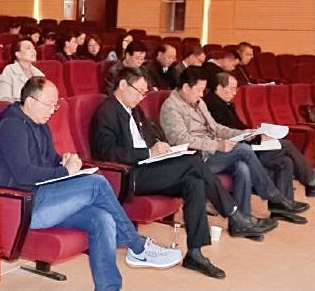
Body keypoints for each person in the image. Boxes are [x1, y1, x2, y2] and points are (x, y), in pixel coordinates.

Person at [0, 77, 182, 291]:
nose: (53, 111)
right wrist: (65, 171)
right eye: (49, 105)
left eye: (55, 105)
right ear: (30, 102)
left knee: (102, 218)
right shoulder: (12, 125)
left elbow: (49, 160)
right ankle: (137, 246)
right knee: (96, 183)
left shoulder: (40, 124)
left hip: (46, 197)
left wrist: (63, 161)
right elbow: (24, 174)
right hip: (25, 206)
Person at [90, 67, 262, 279]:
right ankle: (233, 213)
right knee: (194, 162)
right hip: (129, 175)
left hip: (149, 166)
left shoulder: (134, 109)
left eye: (145, 93)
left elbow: (150, 136)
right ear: (123, 85)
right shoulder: (106, 111)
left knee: (194, 183)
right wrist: (148, 152)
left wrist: (163, 147)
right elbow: (106, 152)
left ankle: (195, 253)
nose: (142, 97)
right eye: (139, 91)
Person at [160, 67, 305, 222]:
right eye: (199, 90)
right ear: (185, 87)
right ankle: (273, 195)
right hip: (195, 158)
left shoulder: (198, 102)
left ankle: (243, 221)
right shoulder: (171, 107)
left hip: (211, 152)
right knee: (243, 150)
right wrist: (217, 145)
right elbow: (181, 139)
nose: (202, 95)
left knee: (242, 167)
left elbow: (216, 128)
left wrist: (244, 133)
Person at [205, 72, 315, 207]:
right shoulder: (213, 106)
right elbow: (227, 132)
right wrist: (256, 136)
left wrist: (255, 131)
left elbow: (238, 126)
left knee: (285, 161)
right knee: (286, 145)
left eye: (236, 89)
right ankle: (310, 180)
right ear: (219, 88)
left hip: (246, 142)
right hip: (239, 149)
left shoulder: (224, 103)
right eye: (232, 89)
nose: (235, 93)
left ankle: (282, 206)